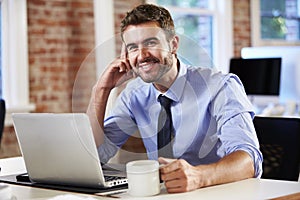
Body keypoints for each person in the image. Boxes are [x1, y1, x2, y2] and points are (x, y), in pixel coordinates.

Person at [87, 3, 262, 193]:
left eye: (151, 43)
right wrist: (101, 90)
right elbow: (96, 155)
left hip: (219, 193)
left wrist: (199, 177)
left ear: (173, 44)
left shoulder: (220, 86)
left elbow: (249, 160)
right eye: (133, 47)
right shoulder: (134, 95)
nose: (142, 55)